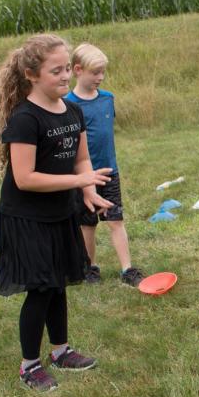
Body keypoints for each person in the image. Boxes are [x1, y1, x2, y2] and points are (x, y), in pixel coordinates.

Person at [0, 34, 114, 391]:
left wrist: (88, 189)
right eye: (56, 71)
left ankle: (60, 351)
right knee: (41, 289)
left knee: (58, 283)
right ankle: (29, 365)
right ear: (32, 74)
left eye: (66, 69)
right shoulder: (25, 119)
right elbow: (25, 178)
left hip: (60, 213)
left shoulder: (72, 110)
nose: (65, 77)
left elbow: (81, 159)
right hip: (26, 219)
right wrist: (79, 179)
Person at [65, 43, 145, 287]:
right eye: (95, 72)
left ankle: (127, 269)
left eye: (103, 72)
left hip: (110, 172)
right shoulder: (68, 104)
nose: (100, 77)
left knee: (115, 220)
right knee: (87, 224)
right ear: (78, 70)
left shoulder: (108, 99)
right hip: (84, 177)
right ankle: (90, 268)